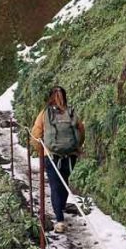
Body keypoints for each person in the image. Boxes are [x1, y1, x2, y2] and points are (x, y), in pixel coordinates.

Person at [30, 86, 85, 233]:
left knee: (55, 186)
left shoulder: (45, 113)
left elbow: (35, 135)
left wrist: (42, 151)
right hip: (70, 155)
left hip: (51, 155)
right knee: (64, 181)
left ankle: (59, 220)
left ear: (49, 97)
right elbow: (81, 130)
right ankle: (61, 206)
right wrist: (76, 147)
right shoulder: (71, 112)